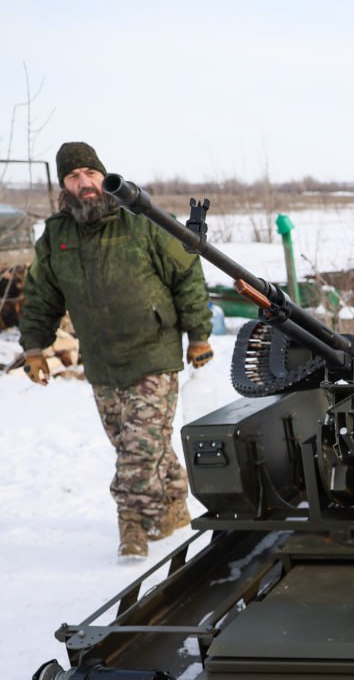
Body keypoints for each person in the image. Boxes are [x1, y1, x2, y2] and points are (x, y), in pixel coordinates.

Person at [20, 142, 213, 561]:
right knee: (137, 445)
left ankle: (132, 523)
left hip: (153, 354)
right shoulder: (57, 236)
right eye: (73, 176)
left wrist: (199, 334)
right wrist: (34, 348)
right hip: (102, 363)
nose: (84, 182)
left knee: (138, 451)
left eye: (90, 173)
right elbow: (40, 297)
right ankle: (174, 506)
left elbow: (186, 274)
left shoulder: (141, 219)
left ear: (103, 174)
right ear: (64, 186)